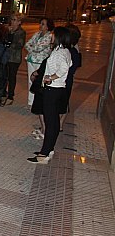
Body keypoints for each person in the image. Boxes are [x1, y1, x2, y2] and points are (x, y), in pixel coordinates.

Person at [28, 26, 72, 164]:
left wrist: (51, 77)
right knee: (52, 122)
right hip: (57, 89)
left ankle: (44, 154)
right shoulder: (64, 51)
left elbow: (65, 68)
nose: (51, 36)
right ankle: (48, 149)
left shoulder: (59, 53)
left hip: (52, 89)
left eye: (53, 35)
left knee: (51, 122)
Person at [25, 17, 54, 111]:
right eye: (40, 23)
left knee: (39, 82)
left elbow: (39, 48)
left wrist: (32, 48)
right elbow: (27, 45)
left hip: (40, 62)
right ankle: (30, 102)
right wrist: (33, 48)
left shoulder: (50, 36)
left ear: (48, 26)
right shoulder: (37, 34)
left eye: (43, 24)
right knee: (30, 81)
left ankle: (37, 103)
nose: (40, 26)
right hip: (31, 60)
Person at [60, 24, 82, 130]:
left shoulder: (73, 52)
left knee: (63, 102)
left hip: (65, 80)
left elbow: (73, 68)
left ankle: (60, 124)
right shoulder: (66, 50)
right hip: (64, 80)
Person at [1, 13, 26, 107]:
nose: (13, 21)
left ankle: (10, 96)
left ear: (19, 22)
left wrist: (9, 42)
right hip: (6, 56)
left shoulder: (21, 32)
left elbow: (19, 45)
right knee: (4, 76)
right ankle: (3, 93)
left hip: (14, 58)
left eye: (15, 20)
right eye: (12, 19)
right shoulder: (7, 29)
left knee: (11, 77)